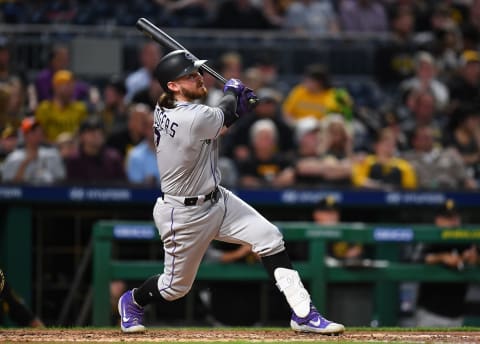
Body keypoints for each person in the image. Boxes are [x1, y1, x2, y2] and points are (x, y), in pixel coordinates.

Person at [117, 49, 345, 335]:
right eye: (189, 76)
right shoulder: (188, 117)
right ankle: (133, 300)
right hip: (183, 214)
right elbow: (223, 115)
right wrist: (233, 92)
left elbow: (225, 115)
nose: (199, 77)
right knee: (175, 288)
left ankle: (303, 314)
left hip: (217, 199)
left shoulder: (166, 102)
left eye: (198, 71)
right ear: (173, 86)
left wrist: (237, 100)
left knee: (270, 237)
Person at [413, 199, 479, 327]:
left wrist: (473, 258)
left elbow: (475, 256)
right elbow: (415, 259)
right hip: (430, 314)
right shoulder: (430, 238)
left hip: (456, 315)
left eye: (455, 217)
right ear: (438, 220)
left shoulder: (466, 239)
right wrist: (441, 257)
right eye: (448, 218)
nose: (453, 222)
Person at [2, 117, 65, 184]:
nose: (37, 133)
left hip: (48, 193)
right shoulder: (14, 158)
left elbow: (61, 180)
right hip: (24, 193)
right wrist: (25, 163)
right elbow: (9, 187)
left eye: (39, 130)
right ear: (24, 135)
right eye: (33, 131)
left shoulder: (52, 154)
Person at [34, 69, 88, 143]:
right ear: (55, 86)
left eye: (72, 84)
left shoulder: (80, 108)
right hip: (49, 149)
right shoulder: (44, 108)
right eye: (66, 84)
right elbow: (38, 134)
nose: (69, 88)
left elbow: (83, 134)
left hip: (73, 149)